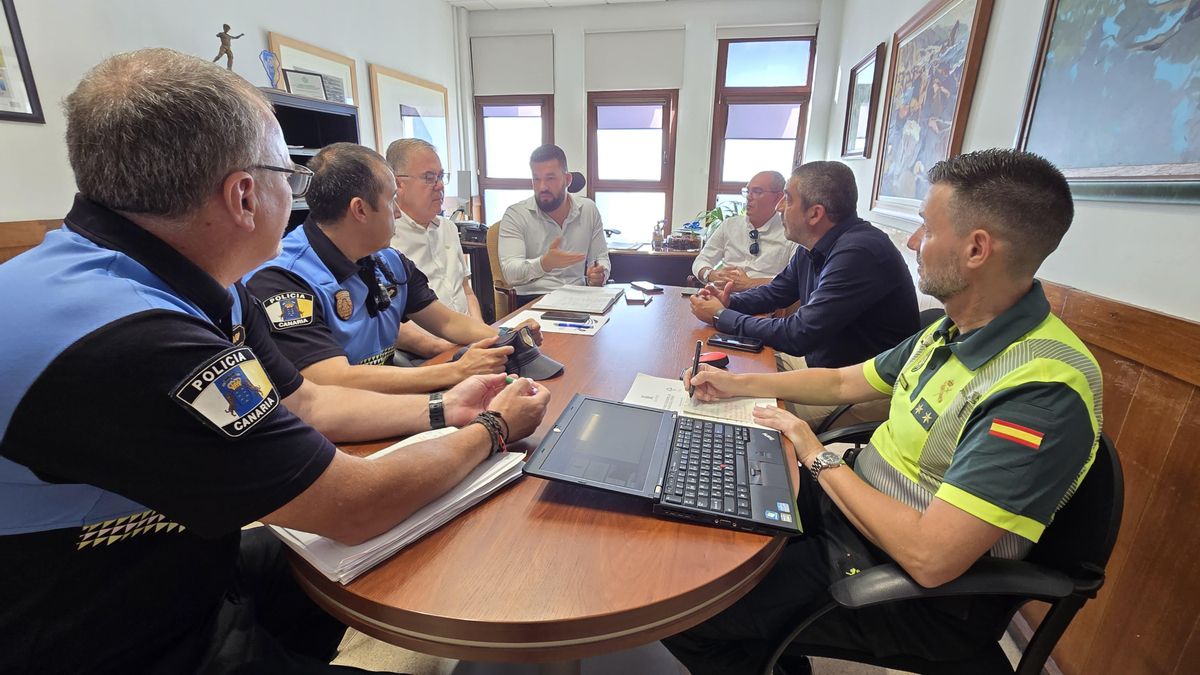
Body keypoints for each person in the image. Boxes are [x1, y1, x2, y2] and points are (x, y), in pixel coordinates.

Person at [0, 49, 550, 674]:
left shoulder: (186, 279)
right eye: (286, 174)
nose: (296, 194)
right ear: (242, 195)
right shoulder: (132, 337)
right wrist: (492, 429)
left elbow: (307, 401)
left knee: (379, 550)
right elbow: (353, 504)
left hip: (182, 560)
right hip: (107, 636)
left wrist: (442, 407)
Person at [665, 149, 1103, 675]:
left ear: (976, 249)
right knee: (703, 523)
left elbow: (929, 557)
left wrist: (814, 452)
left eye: (925, 228)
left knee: (688, 607)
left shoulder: (1041, 389)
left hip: (906, 589)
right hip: (853, 516)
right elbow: (845, 379)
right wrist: (737, 383)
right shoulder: (950, 330)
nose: (914, 243)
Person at [246, 142, 540, 394]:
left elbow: (447, 322)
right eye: (391, 201)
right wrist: (455, 371)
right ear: (360, 209)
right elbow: (331, 380)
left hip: (383, 397)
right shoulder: (283, 278)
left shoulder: (389, 261)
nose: (398, 212)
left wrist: (506, 336)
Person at [689, 160, 919, 423]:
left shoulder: (858, 252)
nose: (779, 208)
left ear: (815, 214)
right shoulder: (813, 246)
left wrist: (721, 316)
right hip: (821, 368)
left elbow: (799, 334)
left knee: (734, 413)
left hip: (855, 389)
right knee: (727, 380)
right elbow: (775, 293)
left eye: (786, 199)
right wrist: (730, 301)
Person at [386, 137, 484, 364]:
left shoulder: (448, 227)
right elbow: (388, 321)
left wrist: (479, 334)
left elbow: (466, 291)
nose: (439, 185)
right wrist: (446, 350)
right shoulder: (385, 238)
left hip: (467, 345)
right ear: (397, 183)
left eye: (441, 176)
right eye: (429, 178)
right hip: (423, 357)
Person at [497, 144, 611, 307]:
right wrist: (544, 263)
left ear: (567, 180)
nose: (542, 187)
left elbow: (601, 258)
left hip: (578, 297)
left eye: (550, 178)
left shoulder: (588, 210)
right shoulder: (516, 215)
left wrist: (600, 273)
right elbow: (510, 273)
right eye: (537, 179)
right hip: (533, 300)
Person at [691, 171, 797, 292]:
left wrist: (750, 284)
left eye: (757, 192)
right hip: (723, 297)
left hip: (764, 302)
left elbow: (794, 280)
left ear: (778, 198)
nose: (749, 197)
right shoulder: (729, 225)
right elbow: (701, 260)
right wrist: (711, 274)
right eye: (747, 191)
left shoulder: (791, 232)